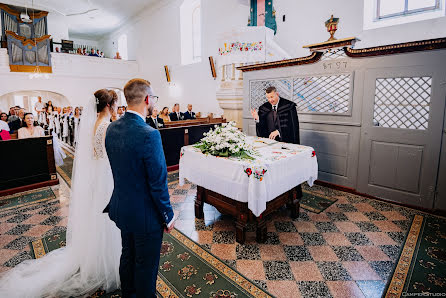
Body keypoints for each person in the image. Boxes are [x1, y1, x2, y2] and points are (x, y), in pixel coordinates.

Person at [0, 89, 121, 297]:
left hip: (98, 177)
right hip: (107, 176)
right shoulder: (107, 126)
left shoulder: (93, 125)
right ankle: (108, 262)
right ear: (109, 106)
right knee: (108, 218)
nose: (118, 108)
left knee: (98, 217)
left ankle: (95, 256)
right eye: (116, 105)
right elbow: (111, 155)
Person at [104, 78, 175, 298]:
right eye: (153, 97)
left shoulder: (112, 128)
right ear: (147, 99)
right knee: (146, 267)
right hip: (145, 215)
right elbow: (158, 182)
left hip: (123, 208)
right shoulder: (149, 134)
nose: (154, 101)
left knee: (128, 256)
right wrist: (168, 216)